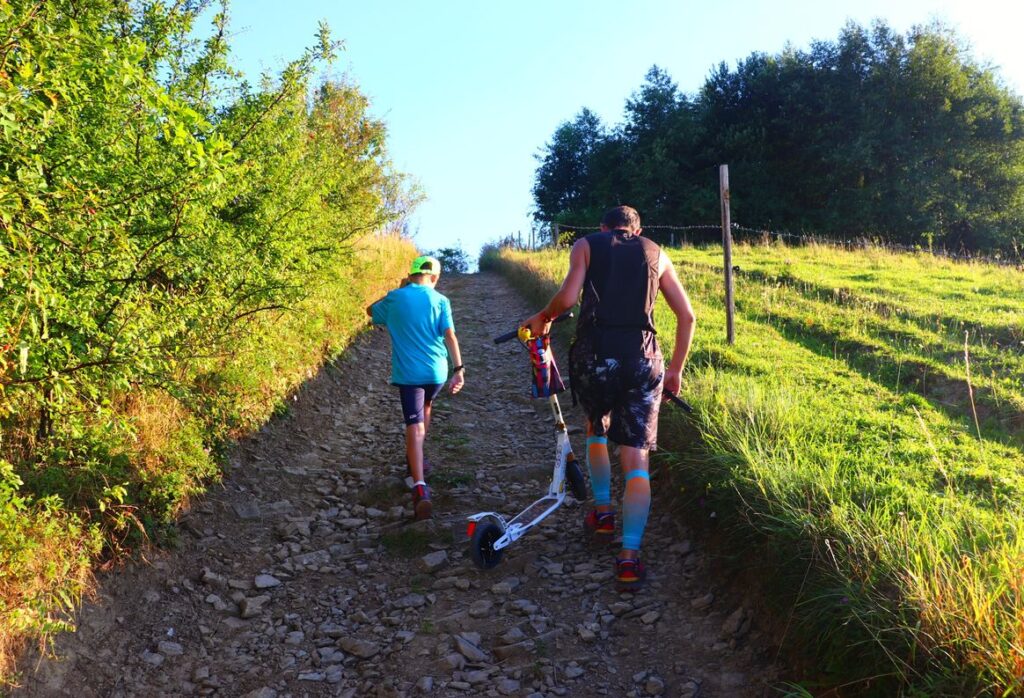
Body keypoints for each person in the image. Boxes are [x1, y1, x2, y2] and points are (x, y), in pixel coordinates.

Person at [524, 206, 695, 591]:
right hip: (644, 360)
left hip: (595, 357)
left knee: (596, 426)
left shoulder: (587, 245)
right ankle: (629, 558)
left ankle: (602, 513)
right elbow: (687, 317)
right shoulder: (657, 252)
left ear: (603, 227)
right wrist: (675, 371)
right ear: (638, 230)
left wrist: (544, 317)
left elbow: (567, 299)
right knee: (636, 460)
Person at [368, 255, 465, 520]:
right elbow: (450, 335)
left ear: (410, 276)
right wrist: (459, 370)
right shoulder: (441, 300)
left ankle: (419, 486)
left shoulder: (395, 297)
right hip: (437, 372)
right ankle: (416, 459)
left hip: (409, 373)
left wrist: (397, 290)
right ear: (434, 278)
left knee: (414, 423)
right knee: (427, 407)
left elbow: (371, 312)